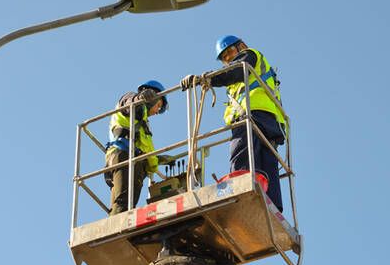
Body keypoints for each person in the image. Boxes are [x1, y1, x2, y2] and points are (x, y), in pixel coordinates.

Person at [180, 35, 286, 212]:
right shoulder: (243, 77)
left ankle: (240, 192)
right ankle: (274, 207)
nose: (228, 59)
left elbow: (236, 71)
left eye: (229, 52)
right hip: (269, 120)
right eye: (224, 58)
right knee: (265, 164)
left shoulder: (249, 56)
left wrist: (205, 79)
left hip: (253, 115)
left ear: (241, 46)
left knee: (242, 153)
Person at [105, 80, 171, 215]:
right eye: (159, 105)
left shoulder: (143, 122)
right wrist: (140, 98)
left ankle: (120, 228)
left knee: (128, 204)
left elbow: (145, 148)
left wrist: (157, 160)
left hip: (134, 161)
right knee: (123, 204)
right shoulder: (134, 104)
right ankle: (119, 233)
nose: (158, 111)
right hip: (123, 157)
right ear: (153, 97)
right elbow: (129, 103)